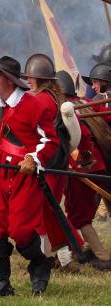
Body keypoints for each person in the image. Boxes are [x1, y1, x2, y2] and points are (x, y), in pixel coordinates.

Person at [0, 56, 59, 296]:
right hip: (0, 175)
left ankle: (40, 264)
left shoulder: (33, 105)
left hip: (24, 177)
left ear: (10, 80)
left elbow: (50, 141)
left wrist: (32, 159)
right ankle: (3, 283)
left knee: (21, 230)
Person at [22, 54, 84, 271]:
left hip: (49, 161)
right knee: (48, 210)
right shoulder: (52, 97)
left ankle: (71, 251)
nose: (28, 81)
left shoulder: (41, 100)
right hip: (55, 161)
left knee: (47, 209)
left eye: (31, 77)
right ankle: (63, 258)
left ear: (40, 78)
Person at [58, 70, 111, 270]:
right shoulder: (82, 103)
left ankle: (102, 256)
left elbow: (79, 139)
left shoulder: (67, 109)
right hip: (97, 166)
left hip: (82, 167)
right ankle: (85, 248)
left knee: (78, 214)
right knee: (79, 211)